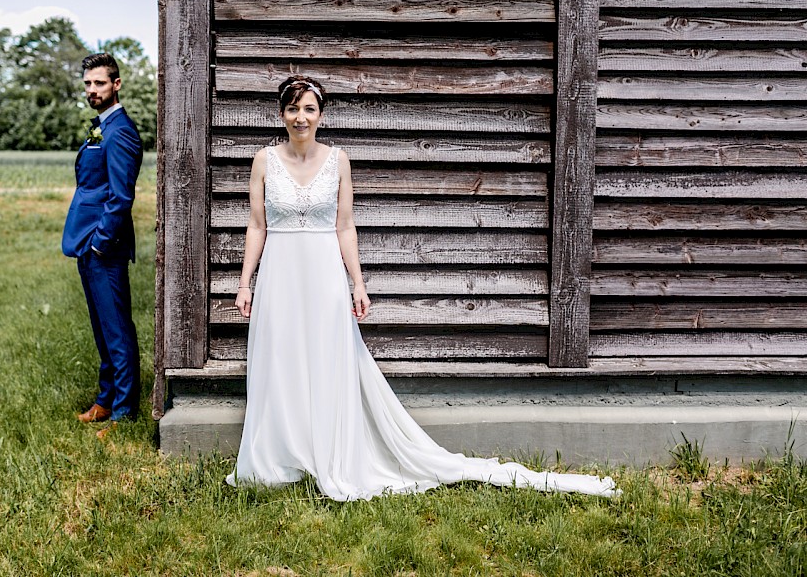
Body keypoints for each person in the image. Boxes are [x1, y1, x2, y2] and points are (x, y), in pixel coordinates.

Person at [225, 75, 618, 501]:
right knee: (281, 359)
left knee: (324, 359)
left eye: (309, 109)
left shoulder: (339, 160)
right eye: (292, 109)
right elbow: (257, 225)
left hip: (323, 275)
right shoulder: (263, 160)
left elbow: (345, 226)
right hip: (280, 274)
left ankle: (328, 451)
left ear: (320, 114)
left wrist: (358, 283)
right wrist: (245, 282)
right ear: (281, 114)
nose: (300, 118)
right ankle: (283, 453)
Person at [62, 52, 143, 438]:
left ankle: (124, 411)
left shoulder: (121, 132)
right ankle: (105, 399)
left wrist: (98, 243)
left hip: (103, 247)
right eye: (87, 84)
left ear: (116, 85)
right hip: (87, 244)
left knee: (116, 329)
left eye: (99, 83)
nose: (92, 90)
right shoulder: (102, 128)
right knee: (101, 328)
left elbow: (120, 195)